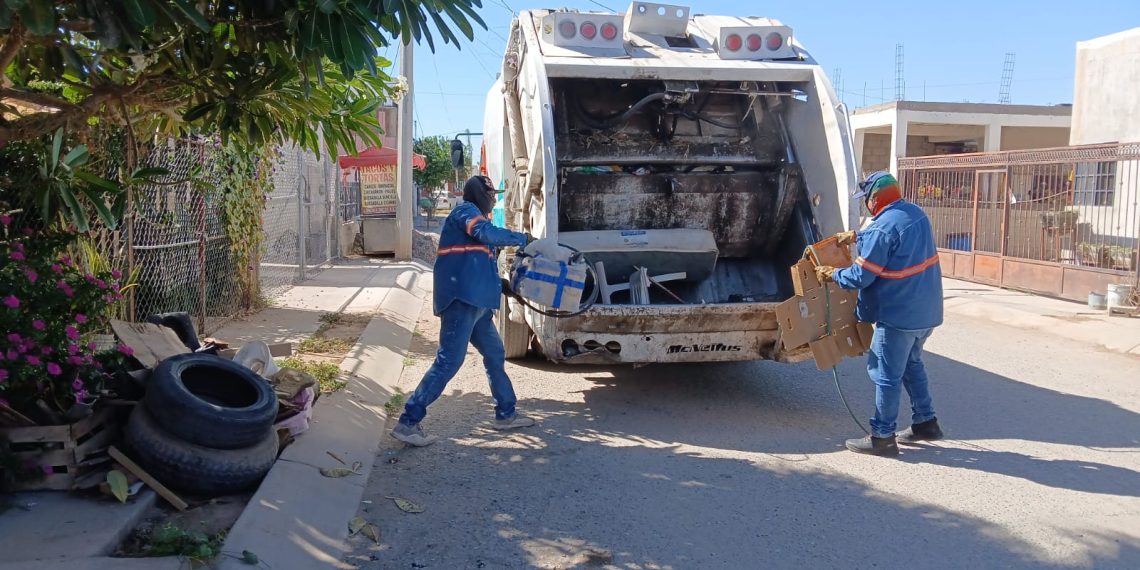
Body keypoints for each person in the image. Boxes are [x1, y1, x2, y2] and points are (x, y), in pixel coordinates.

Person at [390, 175, 535, 447]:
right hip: (461, 301)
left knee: (495, 353)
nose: (494, 199)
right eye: (491, 194)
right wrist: (523, 238)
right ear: (479, 193)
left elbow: (477, 260)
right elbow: (486, 235)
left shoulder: (478, 220)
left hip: (478, 304)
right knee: (448, 361)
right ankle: (408, 422)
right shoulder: (465, 212)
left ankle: (506, 413)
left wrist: (501, 285)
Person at [815, 171, 945, 457]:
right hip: (927, 312)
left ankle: (882, 436)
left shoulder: (880, 229)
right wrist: (858, 236)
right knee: (912, 365)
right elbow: (893, 239)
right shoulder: (915, 213)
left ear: (875, 199)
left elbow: (861, 276)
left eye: (867, 201)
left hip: (898, 316)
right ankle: (926, 422)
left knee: (885, 374)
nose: (866, 206)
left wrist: (832, 274)